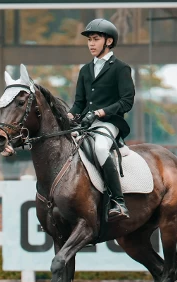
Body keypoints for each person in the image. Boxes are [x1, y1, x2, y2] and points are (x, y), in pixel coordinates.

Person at [67, 18, 135, 222]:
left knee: (100, 149)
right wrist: (70, 115)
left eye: (96, 39)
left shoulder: (120, 68)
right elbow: (79, 102)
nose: (91, 44)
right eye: (89, 40)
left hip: (110, 123)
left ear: (109, 41)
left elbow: (127, 101)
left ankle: (118, 201)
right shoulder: (85, 70)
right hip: (86, 123)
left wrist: (100, 113)